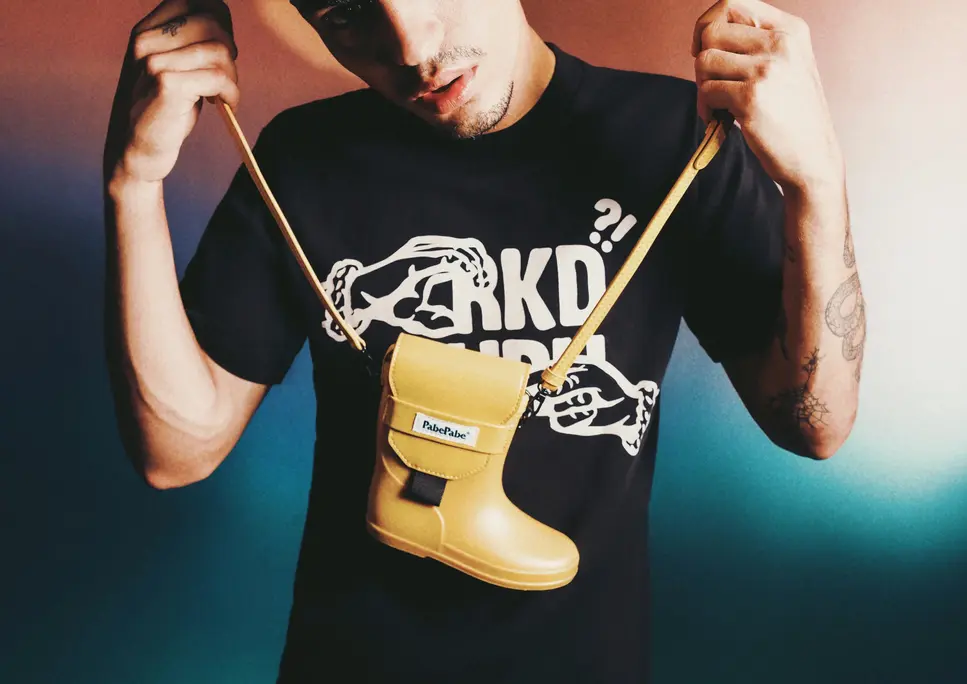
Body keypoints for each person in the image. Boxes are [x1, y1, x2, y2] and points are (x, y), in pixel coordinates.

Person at [101, 0, 866, 681]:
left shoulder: (671, 138)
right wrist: (132, 183)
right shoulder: (302, 158)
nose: (410, 46)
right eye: (345, 13)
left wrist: (816, 181)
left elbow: (815, 423)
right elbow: (175, 452)